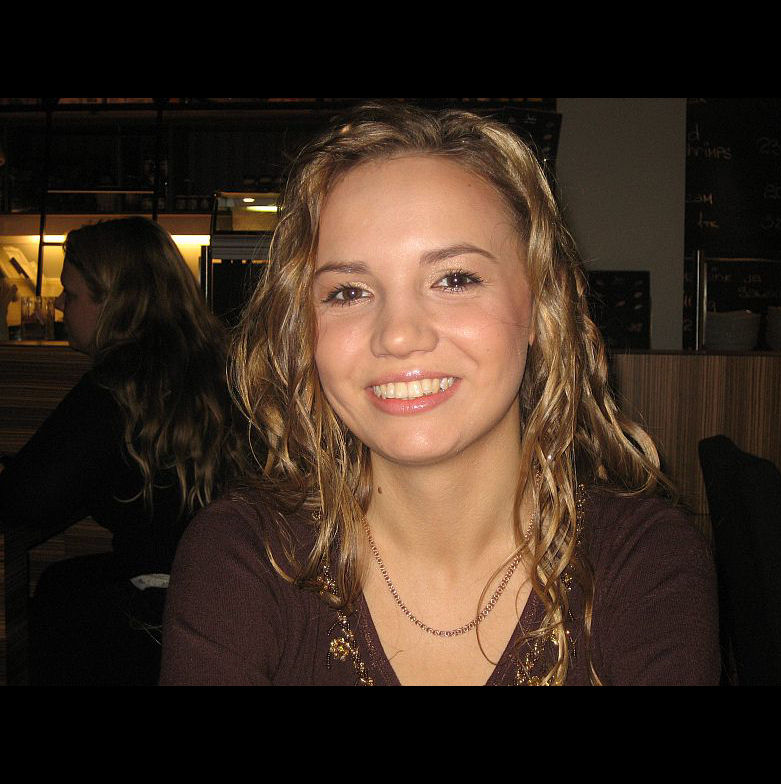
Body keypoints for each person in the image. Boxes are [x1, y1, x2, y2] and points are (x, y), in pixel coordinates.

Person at [160, 102, 721, 686]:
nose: (399, 335)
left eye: (454, 279)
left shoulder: (644, 563)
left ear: (540, 306)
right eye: (349, 291)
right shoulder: (243, 559)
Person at [0, 216, 247, 685]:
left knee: (61, 596)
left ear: (115, 304)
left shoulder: (121, 385)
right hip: (235, 589)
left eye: (70, 294)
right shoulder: (219, 361)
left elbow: (25, 496)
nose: (59, 304)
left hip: (163, 610)